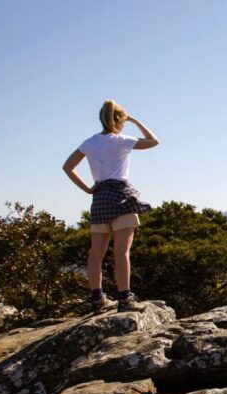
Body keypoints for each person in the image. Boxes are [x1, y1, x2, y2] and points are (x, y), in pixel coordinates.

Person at [62, 100, 159, 313]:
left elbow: (68, 167)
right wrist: (134, 120)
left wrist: (88, 189)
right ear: (120, 120)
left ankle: (98, 299)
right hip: (122, 197)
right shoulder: (121, 141)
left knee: (95, 254)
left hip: (100, 198)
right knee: (121, 252)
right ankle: (124, 298)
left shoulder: (90, 142)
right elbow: (153, 141)